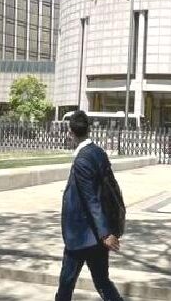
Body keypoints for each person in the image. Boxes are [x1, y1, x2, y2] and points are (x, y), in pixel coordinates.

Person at [55, 110, 124, 301]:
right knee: (102, 281)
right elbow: (110, 189)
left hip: (82, 235)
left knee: (66, 283)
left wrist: (105, 233)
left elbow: (91, 199)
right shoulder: (98, 152)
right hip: (96, 235)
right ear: (89, 130)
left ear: (70, 132)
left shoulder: (82, 160)